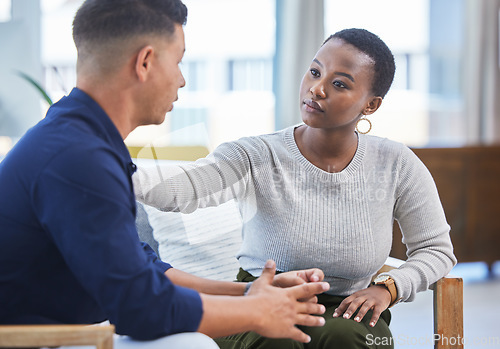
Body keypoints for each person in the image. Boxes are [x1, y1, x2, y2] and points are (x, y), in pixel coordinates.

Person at [0, 0, 332, 348]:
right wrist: (259, 312)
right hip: (25, 340)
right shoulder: (77, 157)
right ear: (144, 63)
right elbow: (141, 309)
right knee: (191, 345)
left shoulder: (79, 138)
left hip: (55, 334)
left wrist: (247, 292)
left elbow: (144, 269)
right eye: (178, 61)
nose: (182, 79)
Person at [134, 28, 457, 348]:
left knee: (348, 339)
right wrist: (110, 171)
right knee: (276, 341)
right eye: (315, 72)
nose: (316, 89)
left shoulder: (396, 162)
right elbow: (184, 187)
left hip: (348, 307)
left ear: (370, 105)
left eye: (339, 83)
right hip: (262, 296)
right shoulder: (256, 153)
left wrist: (389, 288)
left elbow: (436, 249)